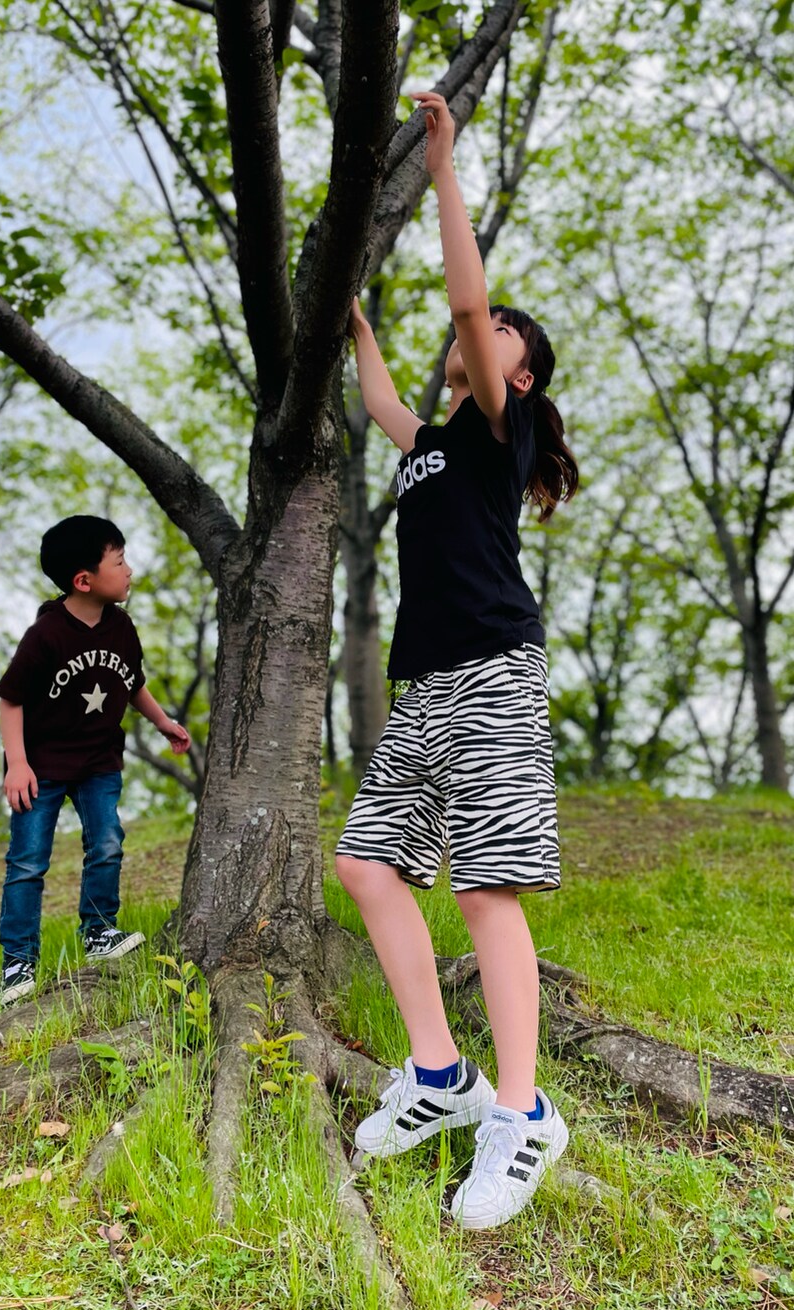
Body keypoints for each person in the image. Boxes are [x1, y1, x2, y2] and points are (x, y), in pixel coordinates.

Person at [336, 91, 579, 1228]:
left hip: (489, 669)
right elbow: (381, 400)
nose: (474, 339)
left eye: (494, 342)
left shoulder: (494, 427)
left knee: (487, 889)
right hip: (423, 685)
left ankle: (522, 1114)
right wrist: (353, 319)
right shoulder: (430, 440)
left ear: (514, 376)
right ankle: (441, 1077)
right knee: (369, 867)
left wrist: (440, 170)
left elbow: (470, 298)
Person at [0, 514, 190, 1007]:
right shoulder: (46, 636)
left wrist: (162, 721)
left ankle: (99, 931)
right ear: (84, 580)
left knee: (106, 844)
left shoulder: (122, 627)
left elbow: (132, 682)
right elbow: (11, 699)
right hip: (39, 768)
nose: (129, 571)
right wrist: (17, 764)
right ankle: (18, 961)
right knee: (27, 863)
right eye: (119, 562)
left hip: (99, 762)